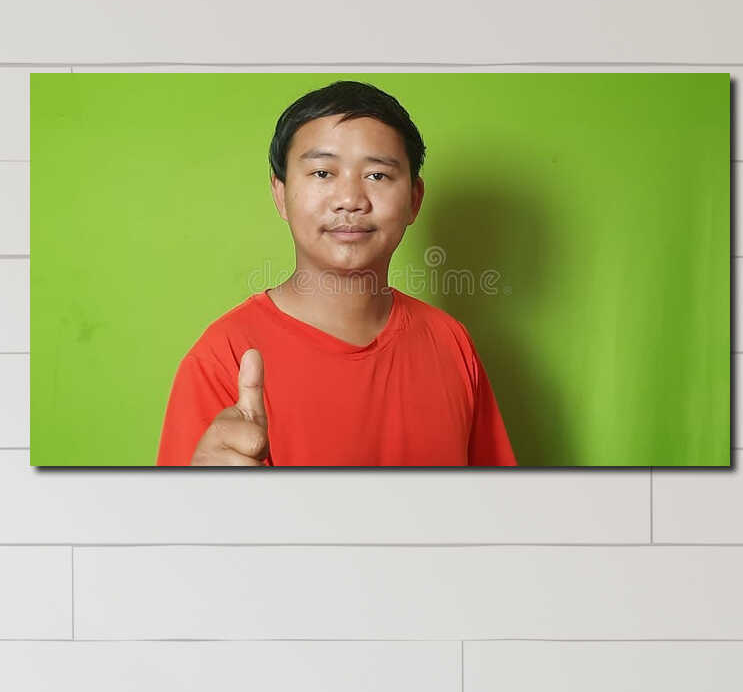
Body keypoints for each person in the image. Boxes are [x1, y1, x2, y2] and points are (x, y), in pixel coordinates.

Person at [156, 81, 516, 467]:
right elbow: (179, 522)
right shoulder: (223, 357)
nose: (350, 200)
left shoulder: (451, 342)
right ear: (280, 193)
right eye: (323, 173)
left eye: (377, 175)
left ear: (414, 199)